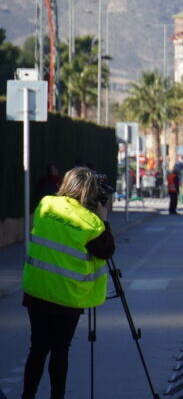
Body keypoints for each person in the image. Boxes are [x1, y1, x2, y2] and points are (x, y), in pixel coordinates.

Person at [21, 167, 115, 399]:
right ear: (89, 191)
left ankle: (27, 395)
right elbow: (106, 250)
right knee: (60, 351)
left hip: (37, 290)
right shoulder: (90, 222)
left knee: (38, 348)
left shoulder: (46, 205)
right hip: (66, 296)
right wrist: (104, 219)